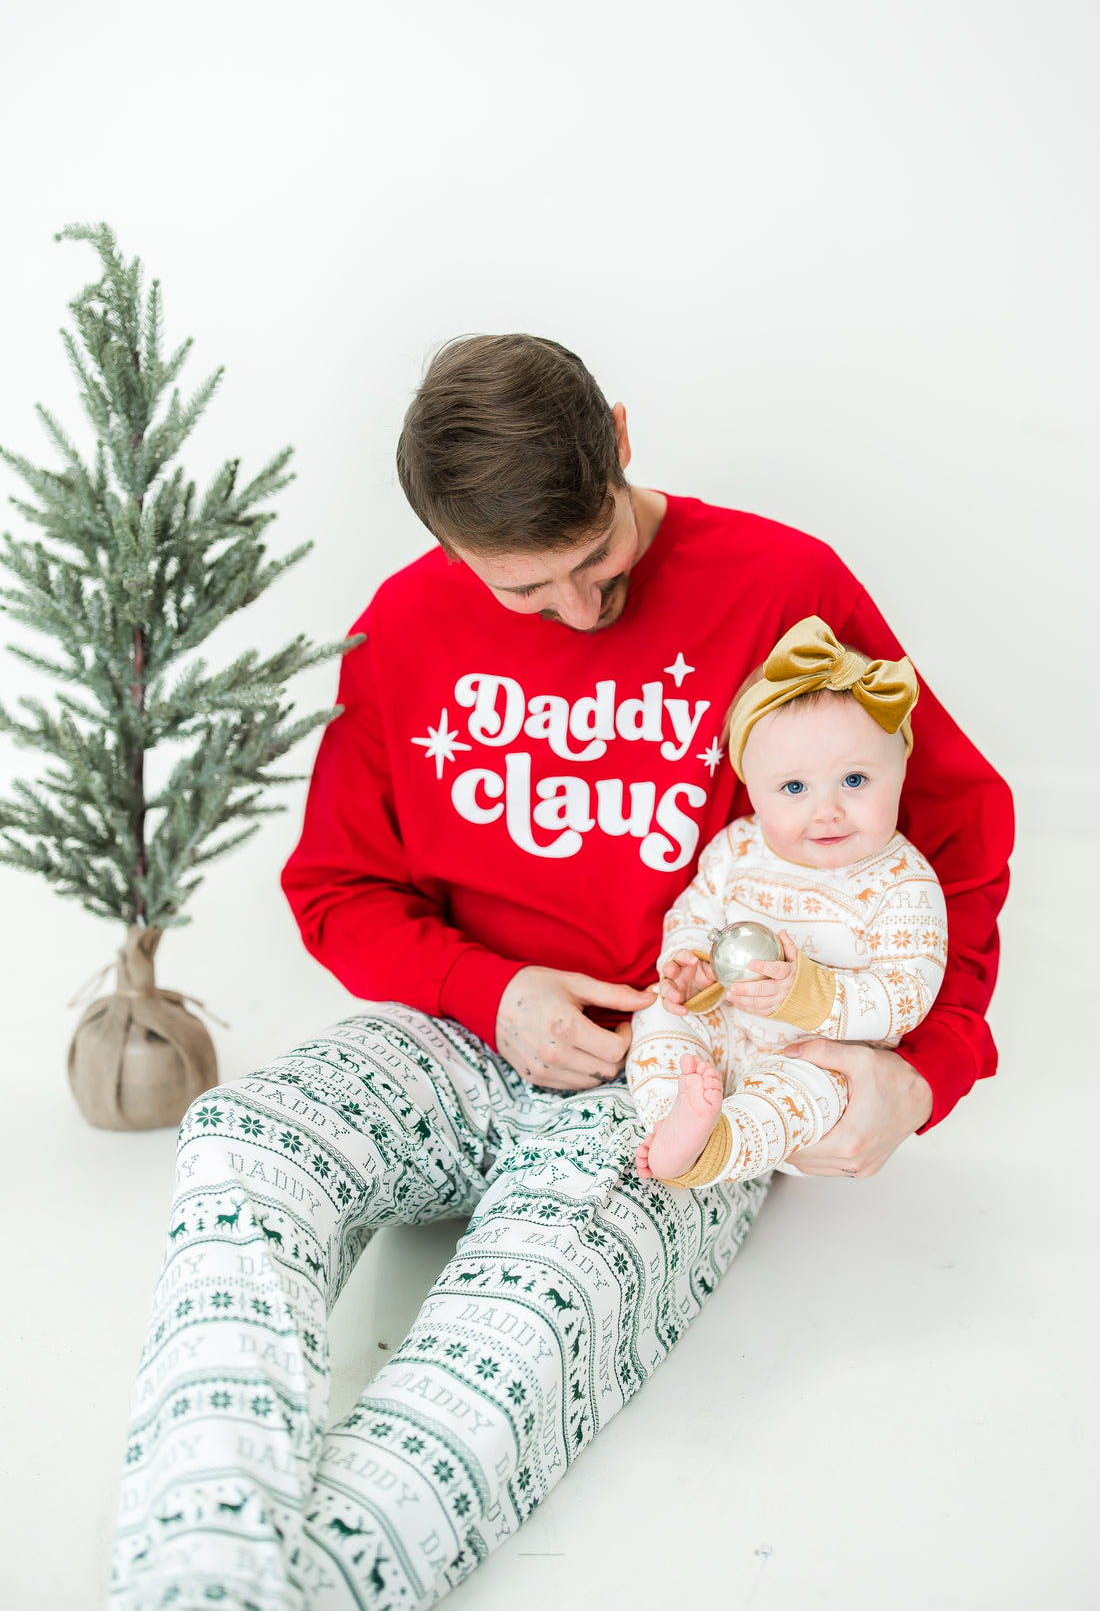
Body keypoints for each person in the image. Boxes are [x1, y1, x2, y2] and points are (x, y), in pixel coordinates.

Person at [108, 335, 1013, 1611]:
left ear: (622, 435)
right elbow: (334, 889)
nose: (584, 611)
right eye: (529, 596)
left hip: (688, 1078)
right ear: (444, 546)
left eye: (598, 560)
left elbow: (960, 830)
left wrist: (921, 1072)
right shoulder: (404, 626)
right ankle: (190, 1573)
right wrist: (494, 993)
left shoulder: (779, 588)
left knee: (508, 1336)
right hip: (459, 1037)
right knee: (242, 1142)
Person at [629, 615, 947, 1188]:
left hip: (819, 1053)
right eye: (795, 789)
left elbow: (906, 995)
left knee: (813, 1092)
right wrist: (690, 960)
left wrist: (812, 994)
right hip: (727, 1023)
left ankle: (719, 1147)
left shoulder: (904, 883)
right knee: (657, 1015)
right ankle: (670, 1119)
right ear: (753, 787)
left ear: (900, 770)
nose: (827, 810)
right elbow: (696, 910)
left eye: (854, 780)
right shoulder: (738, 848)